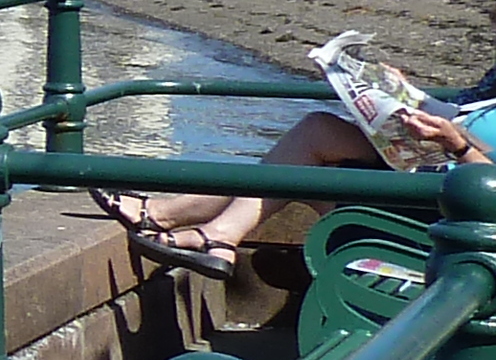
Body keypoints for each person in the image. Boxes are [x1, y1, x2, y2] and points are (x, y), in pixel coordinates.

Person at [103, 86, 492, 279]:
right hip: (438, 178)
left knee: (304, 170)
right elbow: (466, 115)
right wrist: (407, 97)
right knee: (316, 131)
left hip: (449, 218)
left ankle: (194, 227)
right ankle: (195, 227)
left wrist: (457, 147)